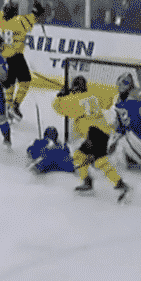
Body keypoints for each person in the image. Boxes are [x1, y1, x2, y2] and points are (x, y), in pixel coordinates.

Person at [52, 75, 133, 203]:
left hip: (93, 132)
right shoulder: (94, 95)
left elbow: (57, 107)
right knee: (80, 156)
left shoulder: (73, 99)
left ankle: (121, 185)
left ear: (74, 88)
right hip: (102, 132)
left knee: (100, 160)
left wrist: (61, 95)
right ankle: (88, 182)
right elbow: (107, 101)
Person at [0, 0, 45, 122]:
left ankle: (8, 105)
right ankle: (15, 105)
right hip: (15, 56)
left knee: (9, 82)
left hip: (2, 58)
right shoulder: (19, 22)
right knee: (25, 80)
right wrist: (37, 10)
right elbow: (33, 17)